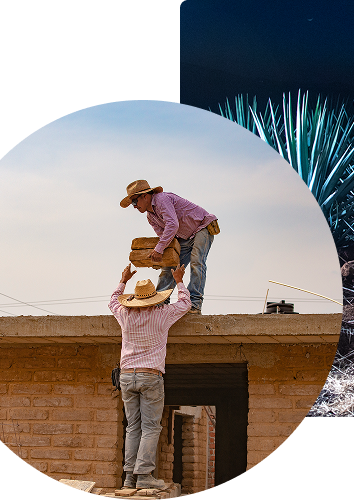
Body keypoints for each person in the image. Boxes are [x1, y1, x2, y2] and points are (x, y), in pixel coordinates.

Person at [109, 262, 190, 489]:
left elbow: (113, 301)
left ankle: (128, 479)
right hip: (150, 376)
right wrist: (179, 279)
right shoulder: (162, 314)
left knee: (133, 427)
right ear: (154, 298)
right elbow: (185, 303)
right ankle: (144, 476)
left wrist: (123, 279)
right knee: (151, 427)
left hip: (126, 376)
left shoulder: (125, 314)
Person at [121, 179, 218, 315]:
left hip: (201, 227)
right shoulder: (150, 217)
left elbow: (172, 225)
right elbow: (166, 238)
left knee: (197, 262)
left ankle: (195, 304)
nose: (134, 206)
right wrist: (160, 258)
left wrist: (158, 250)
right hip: (183, 238)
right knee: (169, 268)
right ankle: (160, 305)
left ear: (145, 196)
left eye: (134, 201)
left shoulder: (161, 199)